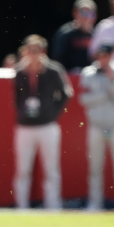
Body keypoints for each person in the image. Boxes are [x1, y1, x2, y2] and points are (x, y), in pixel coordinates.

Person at [13, 35, 72, 210]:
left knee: (51, 169)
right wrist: (23, 113)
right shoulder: (20, 72)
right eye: (30, 50)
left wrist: (52, 113)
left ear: (43, 51)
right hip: (25, 126)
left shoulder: (53, 70)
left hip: (47, 125)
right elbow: (17, 98)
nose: (33, 54)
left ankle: (53, 206)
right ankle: (21, 207)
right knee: (23, 169)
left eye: (36, 50)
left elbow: (66, 93)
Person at [79, 44, 114, 213]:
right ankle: (95, 203)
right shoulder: (88, 73)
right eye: (99, 56)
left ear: (111, 56)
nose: (102, 60)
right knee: (95, 167)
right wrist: (104, 93)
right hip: (96, 125)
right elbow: (83, 100)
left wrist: (111, 81)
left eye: (105, 56)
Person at [50, 0, 96, 72]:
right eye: (83, 12)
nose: (86, 17)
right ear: (75, 13)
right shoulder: (65, 34)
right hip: (69, 76)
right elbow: (57, 60)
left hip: (90, 78)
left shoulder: (96, 35)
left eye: (90, 13)